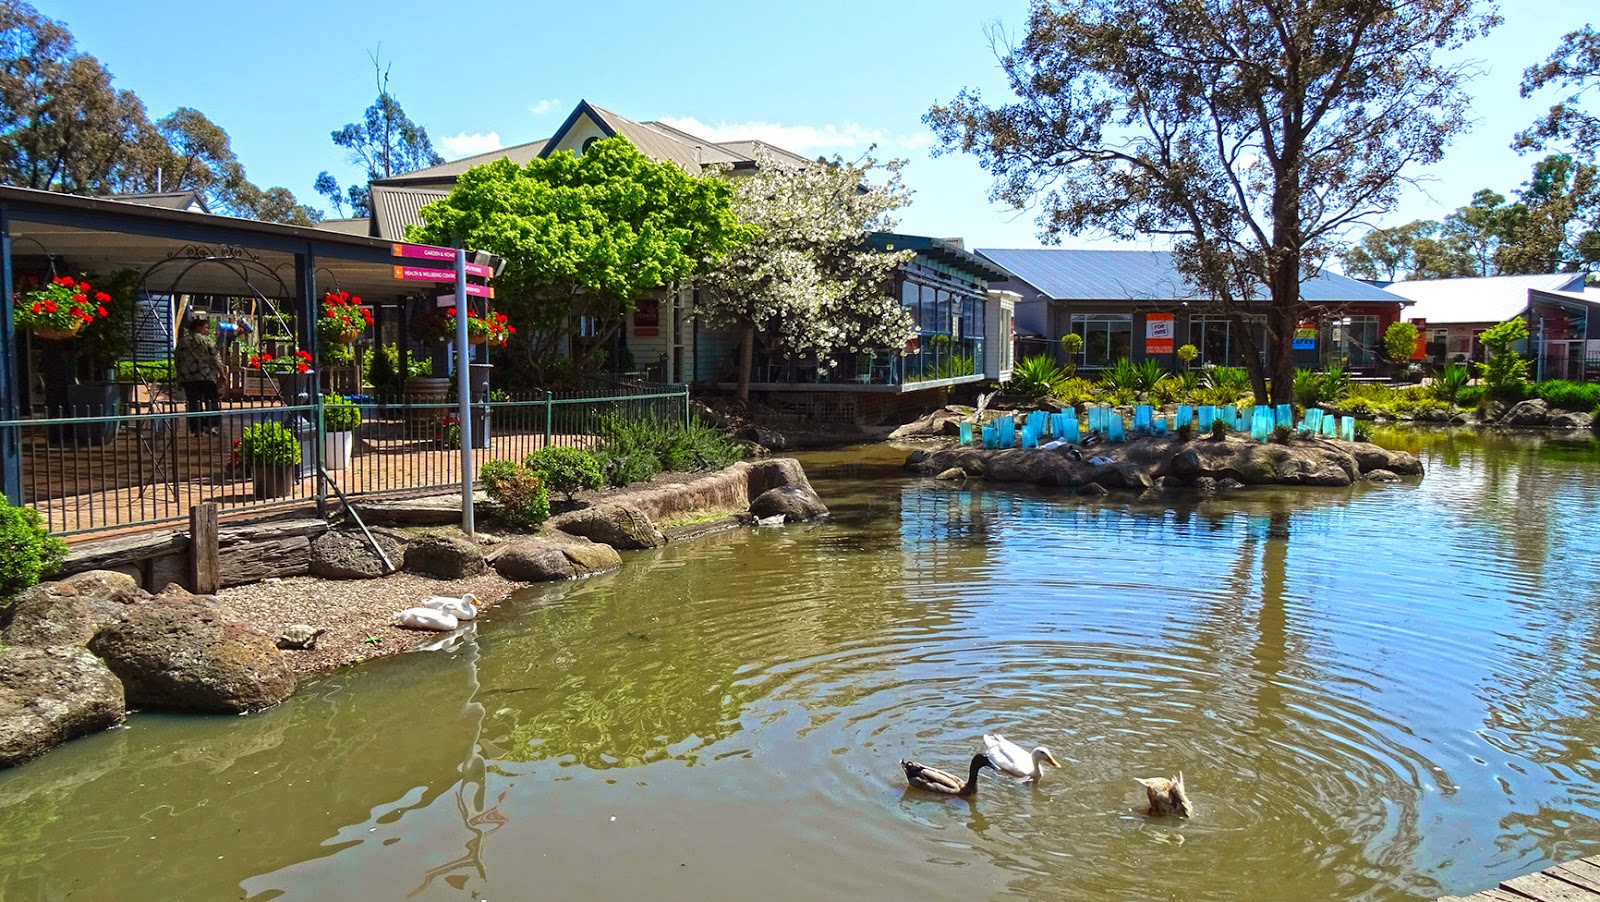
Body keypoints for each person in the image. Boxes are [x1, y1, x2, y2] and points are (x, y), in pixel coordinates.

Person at [175, 314, 222, 435]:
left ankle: (197, 430)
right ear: (198, 328)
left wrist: (179, 378)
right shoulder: (207, 341)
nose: (207, 330)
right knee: (211, 401)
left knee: (193, 403)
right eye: (206, 328)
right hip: (206, 376)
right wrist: (223, 374)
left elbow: (177, 361)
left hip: (189, 378)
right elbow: (216, 359)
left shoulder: (182, 342)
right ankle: (211, 426)